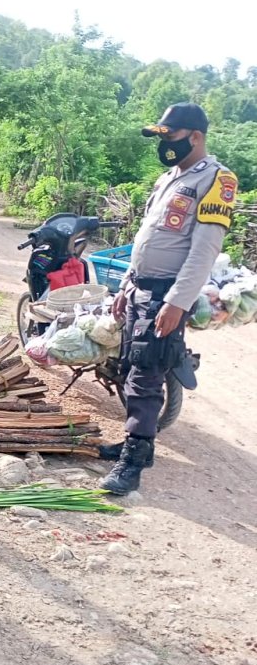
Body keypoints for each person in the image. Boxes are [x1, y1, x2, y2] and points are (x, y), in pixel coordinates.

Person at [99, 103, 238, 494]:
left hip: (167, 292)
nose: (164, 145)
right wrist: (127, 286)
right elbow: (148, 238)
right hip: (142, 286)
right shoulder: (169, 179)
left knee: (146, 375)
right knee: (127, 367)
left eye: (170, 137)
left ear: (195, 136)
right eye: (160, 137)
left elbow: (204, 249)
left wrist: (177, 302)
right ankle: (136, 446)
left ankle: (133, 464)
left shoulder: (216, 179)